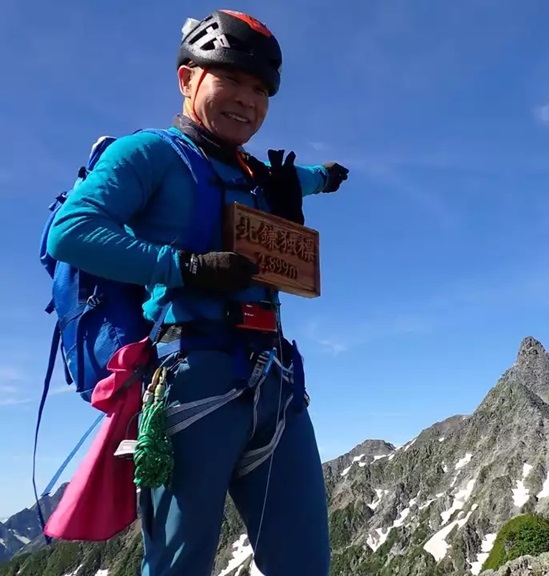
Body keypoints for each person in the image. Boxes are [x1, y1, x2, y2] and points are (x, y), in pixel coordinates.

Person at [44, 9, 347, 575]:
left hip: (276, 380)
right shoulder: (149, 153)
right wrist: (187, 267)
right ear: (187, 78)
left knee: (306, 564)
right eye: (230, 78)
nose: (248, 100)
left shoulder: (257, 175)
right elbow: (72, 232)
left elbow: (300, 176)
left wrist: (324, 176)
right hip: (190, 380)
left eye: (261, 90)